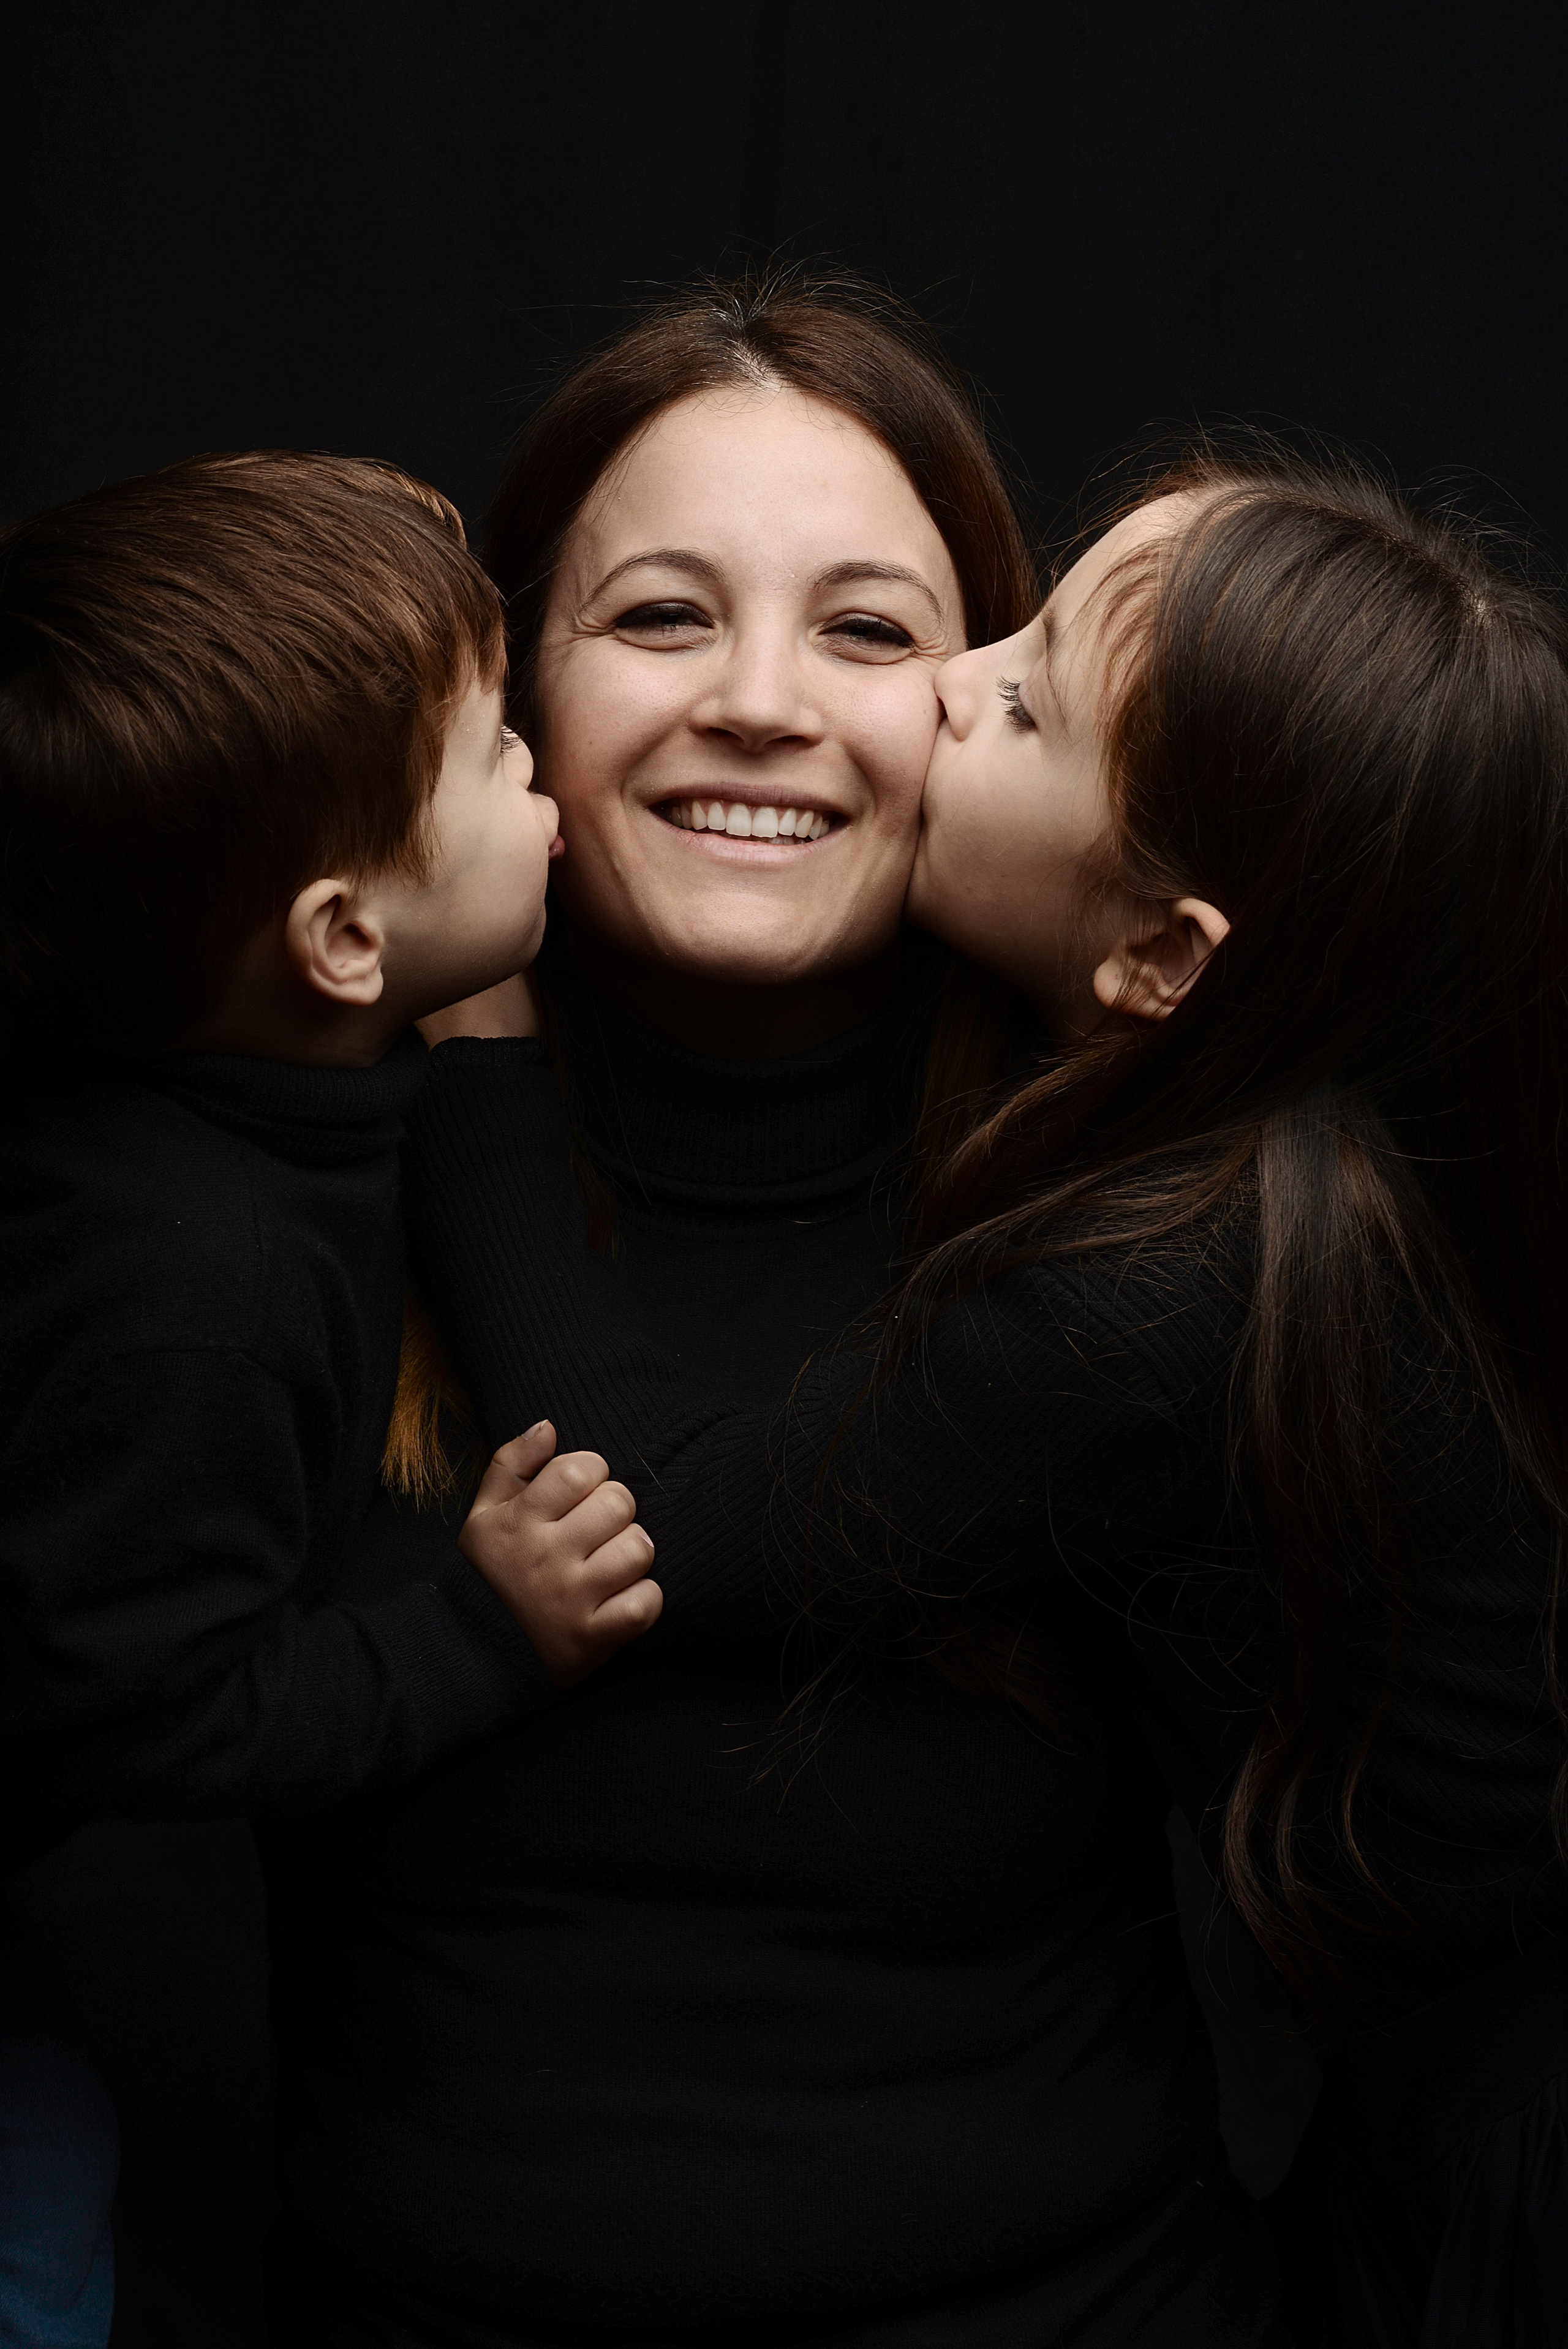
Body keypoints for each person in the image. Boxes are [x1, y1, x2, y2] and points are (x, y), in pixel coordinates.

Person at [409, 453, 1568, 2348]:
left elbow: (656, 1507)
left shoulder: (1176, 1286)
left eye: (1016, 692)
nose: (953, 677)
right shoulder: (1319, 1161)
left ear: (1158, 961)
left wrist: (478, 1038)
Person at [263, 282, 1287, 2345]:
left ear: (1012, 715)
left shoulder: (1158, 1231)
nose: (755, 698)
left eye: (870, 629)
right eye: (655, 616)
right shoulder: (269, 1170)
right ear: (508, 697)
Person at [0, 452, 659, 2340]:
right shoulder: (184, 1288)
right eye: (492, 756)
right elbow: (149, 1712)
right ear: (341, 941)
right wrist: (478, 1631)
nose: (541, 763)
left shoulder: (250, 1078)